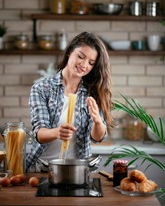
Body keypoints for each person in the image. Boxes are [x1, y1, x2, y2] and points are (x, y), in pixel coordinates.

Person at [26, 31, 113, 172]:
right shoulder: (42, 88)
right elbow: (39, 134)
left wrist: (98, 121)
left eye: (91, 63)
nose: (84, 65)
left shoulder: (93, 91)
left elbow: (97, 138)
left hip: (77, 171)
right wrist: (57, 132)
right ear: (69, 52)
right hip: (42, 168)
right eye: (80, 56)